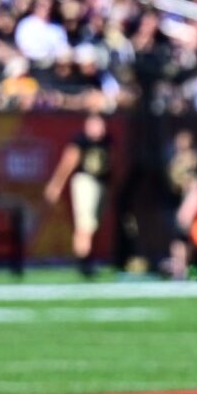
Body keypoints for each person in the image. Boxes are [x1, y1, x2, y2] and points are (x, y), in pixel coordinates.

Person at [43, 113, 113, 276]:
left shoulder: (107, 141)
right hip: (85, 181)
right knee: (85, 224)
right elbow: (68, 162)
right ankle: (83, 263)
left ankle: (88, 260)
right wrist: (56, 184)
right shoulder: (81, 141)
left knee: (93, 224)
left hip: (102, 183)